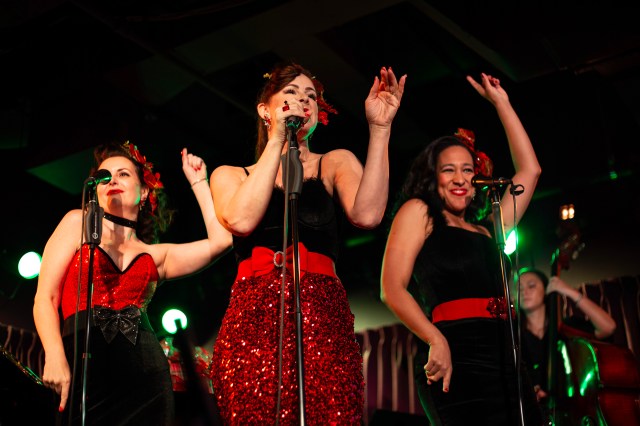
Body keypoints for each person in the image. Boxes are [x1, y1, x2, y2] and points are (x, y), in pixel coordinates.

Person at [207, 61, 406, 425]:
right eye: (291, 93)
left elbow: (368, 214)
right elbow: (241, 220)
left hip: (322, 317)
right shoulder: (231, 175)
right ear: (265, 110)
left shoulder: (334, 162)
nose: (303, 101)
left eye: (311, 96)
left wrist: (380, 129)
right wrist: (277, 140)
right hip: (253, 322)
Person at [380, 72, 544, 425]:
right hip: (456, 353)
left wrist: (501, 103)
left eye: (467, 170)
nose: (459, 178)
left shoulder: (489, 228)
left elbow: (530, 171)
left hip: (506, 357)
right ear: (432, 176)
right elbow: (391, 288)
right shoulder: (420, 212)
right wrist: (435, 340)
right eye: (448, 170)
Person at [33, 141, 232, 425]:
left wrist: (199, 182)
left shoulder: (156, 255)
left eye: (123, 174)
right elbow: (45, 298)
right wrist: (53, 355)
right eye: (104, 176)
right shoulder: (77, 223)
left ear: (145, 192)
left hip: (146, 378)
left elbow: (221, 241)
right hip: (81, 364)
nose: (112, 180)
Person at [517, 268, 616, 404]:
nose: (524, 291)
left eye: (531, 285)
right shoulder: (514, 336)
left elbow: (608, 327)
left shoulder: (566, 328)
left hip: (573, 406)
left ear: (546, 290)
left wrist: (568, 291)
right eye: (519, 288)